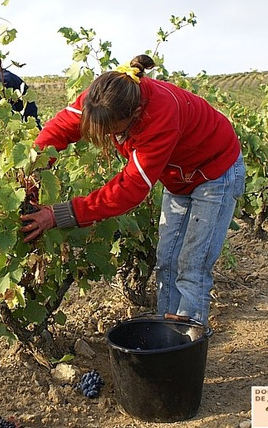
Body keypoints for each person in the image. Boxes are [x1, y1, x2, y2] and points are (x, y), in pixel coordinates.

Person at [19, 54, 245, 325]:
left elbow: (129, 189)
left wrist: (60, 214)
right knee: (167, 260)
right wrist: (34, 171)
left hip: (216, 173)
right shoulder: (104, 95)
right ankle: (167, 336)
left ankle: (186, 347)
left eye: (110, 131)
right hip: (179, 177)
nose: (105, 137)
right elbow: (60, 129)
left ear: (134, 116)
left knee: (192, 267)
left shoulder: (159, 117)